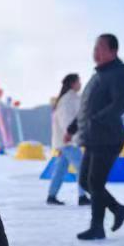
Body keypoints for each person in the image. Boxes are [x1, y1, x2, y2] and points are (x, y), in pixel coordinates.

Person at [65, 34, 124, 240]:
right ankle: (118, 209)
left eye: (101, 48)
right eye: (95, 48)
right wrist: (72, 127)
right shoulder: (98, 75)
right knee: (86, 181)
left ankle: (97, 227)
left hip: (109, 137)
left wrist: (97, 119)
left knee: (94, 182)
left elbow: (120, 103)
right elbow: (86, 108)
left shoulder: (118, 73)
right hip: (93, 137)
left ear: (113, 52)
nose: (96, 52)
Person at [47, 74, 90, 206]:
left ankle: (51, 196)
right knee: (82, 168)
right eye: (79, 81)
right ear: (72, 83)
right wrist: (72, 136)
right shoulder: (68, 100)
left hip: (63, 141)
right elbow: (66, 121)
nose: (80, 84)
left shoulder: (69, 98)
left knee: (60, 169)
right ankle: (82, 196)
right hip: (68, 141)